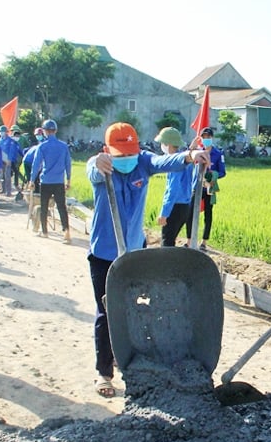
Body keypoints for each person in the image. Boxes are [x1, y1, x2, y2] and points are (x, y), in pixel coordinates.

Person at [86, 122, 209, 397]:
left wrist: (190, 156)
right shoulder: (101, 165)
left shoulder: (142, 162)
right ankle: (103, 373)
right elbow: (92, 169)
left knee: (133, 309)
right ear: (108, 151)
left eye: (130, 153)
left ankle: (127, 357)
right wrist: (100, 163)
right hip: (104, 254)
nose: (127, 161)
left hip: (133, 252)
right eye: (120, 156)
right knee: (106, 312)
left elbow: (165, 161)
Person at [155, 127, 198, 246]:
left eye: (162, 143)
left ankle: (167, 264)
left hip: (175, 207)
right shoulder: (185, 159)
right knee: (171, 240)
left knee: (167, 243)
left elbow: (172, 189)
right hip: (185, 207)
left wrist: (164, 213)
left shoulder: (173, 163)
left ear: (168, 145)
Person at [30, 119, 72, 242]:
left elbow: (36, 164)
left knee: (44, 206)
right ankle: (67, 232)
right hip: (59, 181)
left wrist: (32, 180)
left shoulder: (42, 146)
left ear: (44, 131)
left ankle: (45, 231)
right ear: (56, 131)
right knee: (61, 207)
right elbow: (68, 164)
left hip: (46, 181)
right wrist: (68, 179)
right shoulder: (63, 146)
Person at [187, 126, 225, 251]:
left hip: (210, 188)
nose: (206, 139)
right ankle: (189, 240)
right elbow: (186, 158)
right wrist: (191, 147)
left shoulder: (218, 154)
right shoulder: (197, 152)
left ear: (212, 138)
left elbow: (222, 172)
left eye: (208, 137)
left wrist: (212, 177)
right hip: (196, 186)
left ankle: (204, 242)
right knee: (190, 213)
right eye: (204, 137)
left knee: (208, 214)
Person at [0, 125, 21, 197]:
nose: (1, 133)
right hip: (1, 160)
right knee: (2, 176)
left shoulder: (10, 140)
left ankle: (8, 191)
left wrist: (9, 159)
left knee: (7, 176)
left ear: (6, 132)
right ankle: (3, 189)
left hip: (7, 160)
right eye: (0, 132)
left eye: (3, 132)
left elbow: (11, 151)